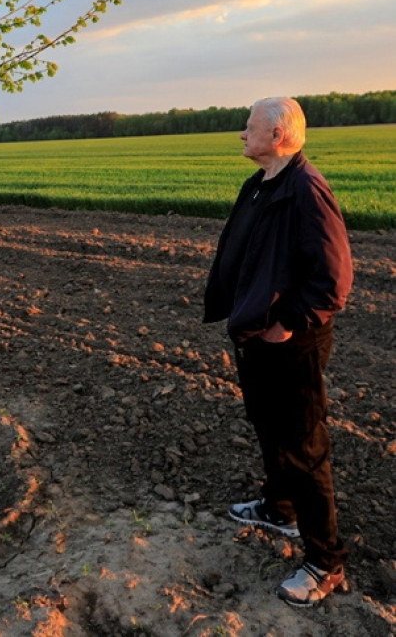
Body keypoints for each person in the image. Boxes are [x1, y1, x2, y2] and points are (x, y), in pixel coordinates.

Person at [203, 96, 353, 607]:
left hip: (291, 342)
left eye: (250, 128)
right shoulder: (262, 185)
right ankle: (279, 508)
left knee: (304, 447)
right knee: (269, 428)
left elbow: (334, 281)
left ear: (278, 134)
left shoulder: (306, 191)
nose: (242, 135)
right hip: (257, 337)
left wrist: (286, 324)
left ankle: (324, 564)